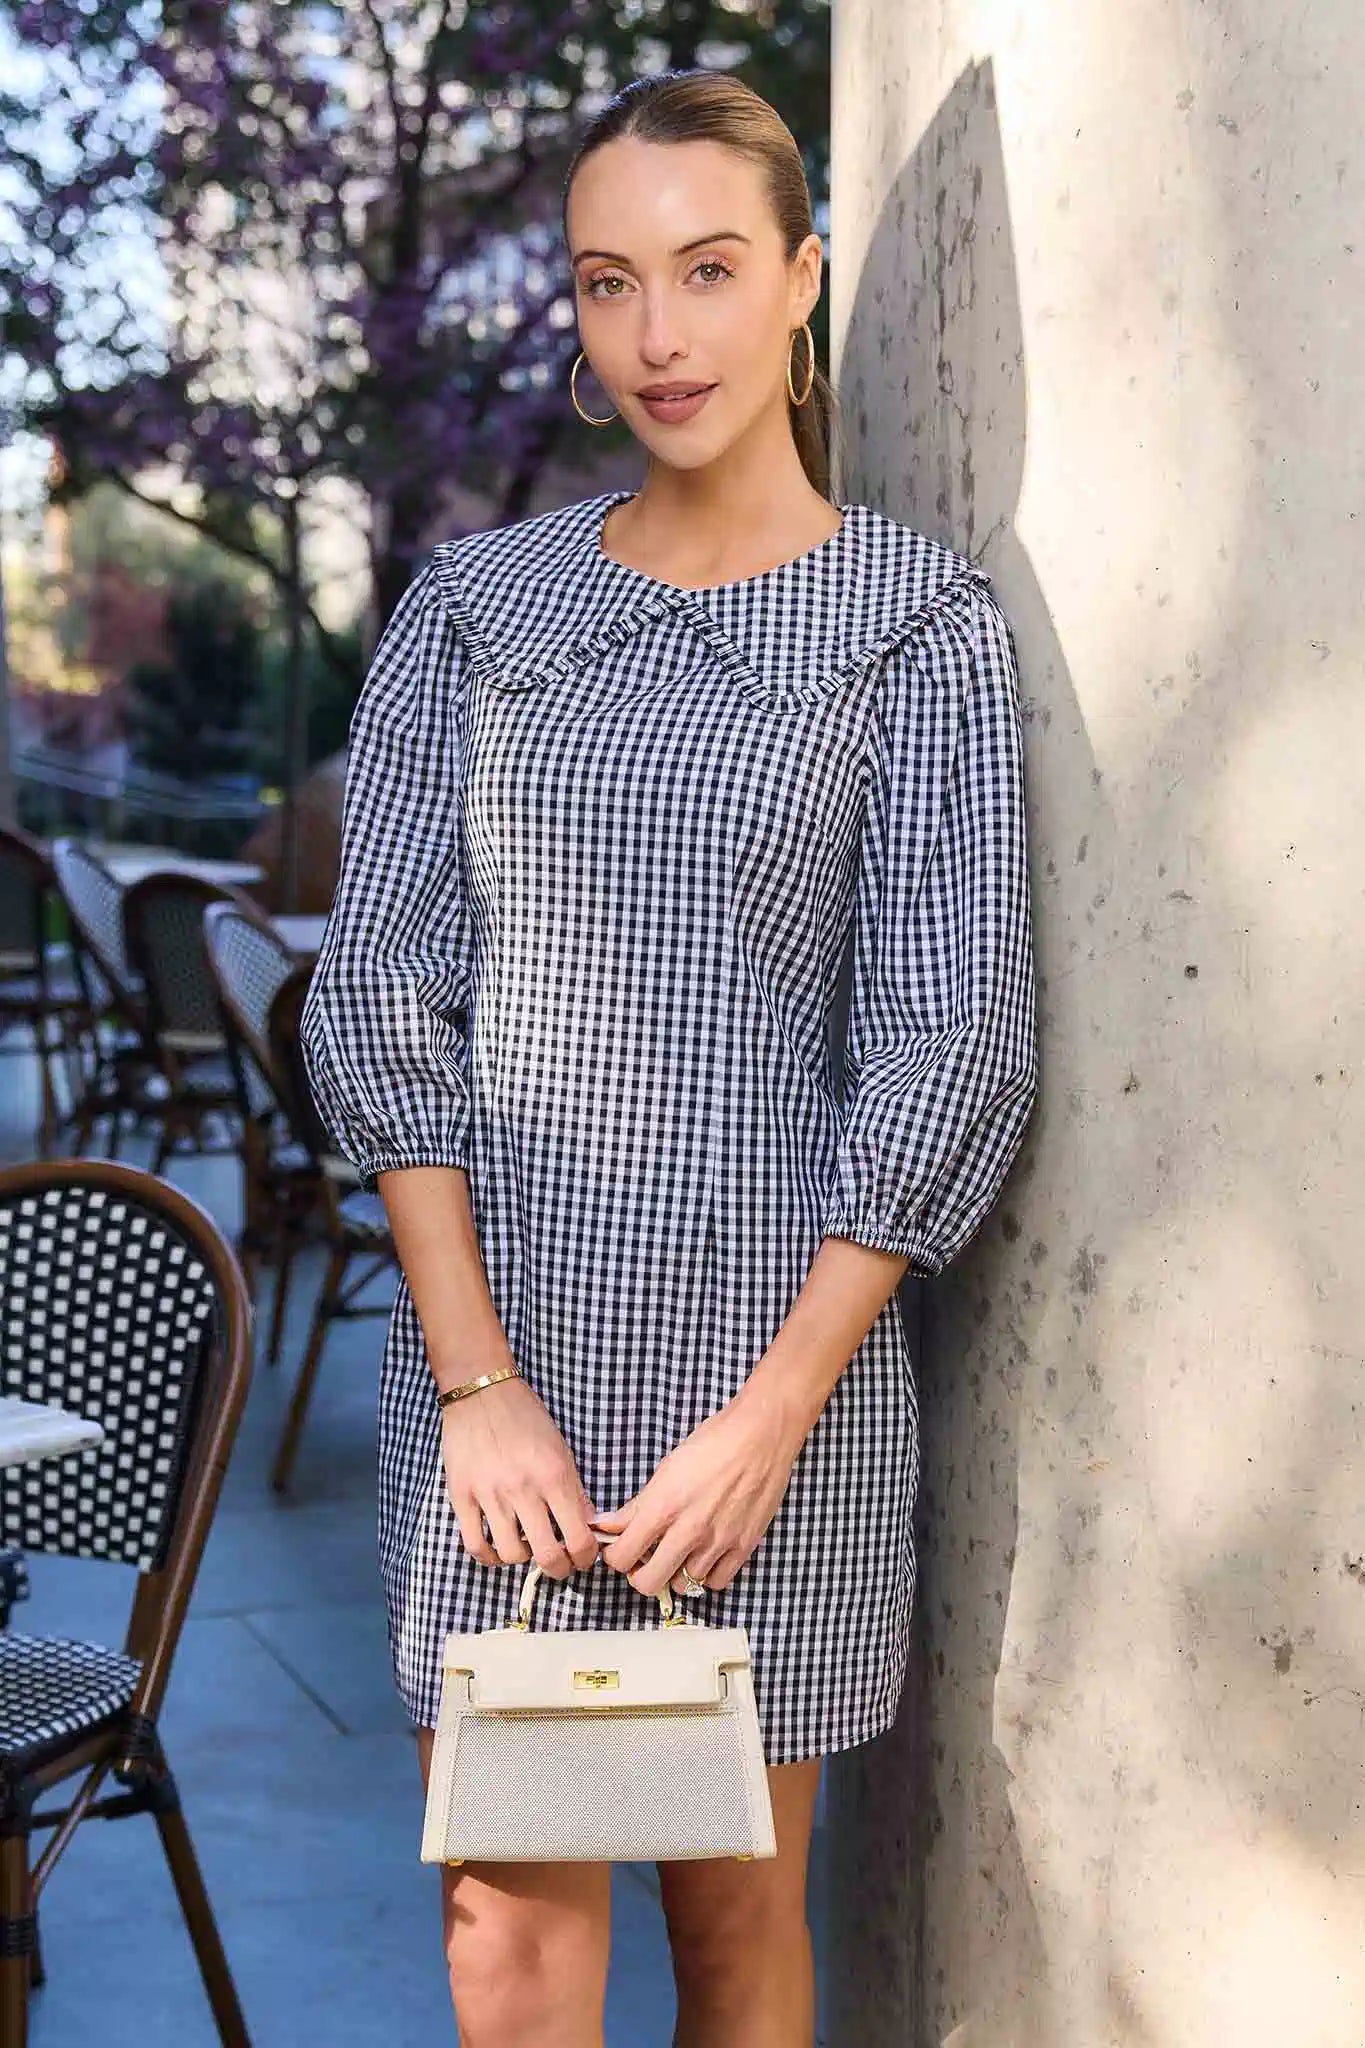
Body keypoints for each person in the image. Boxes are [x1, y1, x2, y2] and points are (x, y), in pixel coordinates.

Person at [299, 65, 1038, 2048]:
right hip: (503, 1384)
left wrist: (769, 1418)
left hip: (766, 1402)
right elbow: (382, 1005)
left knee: (734, 1924)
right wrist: (470, 1386)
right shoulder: (478, 613)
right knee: (501, 1930)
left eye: (705, 272)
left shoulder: (913, 629)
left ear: (800, 280)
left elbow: (946, 1036)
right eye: (607, 281)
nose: (654, 335)